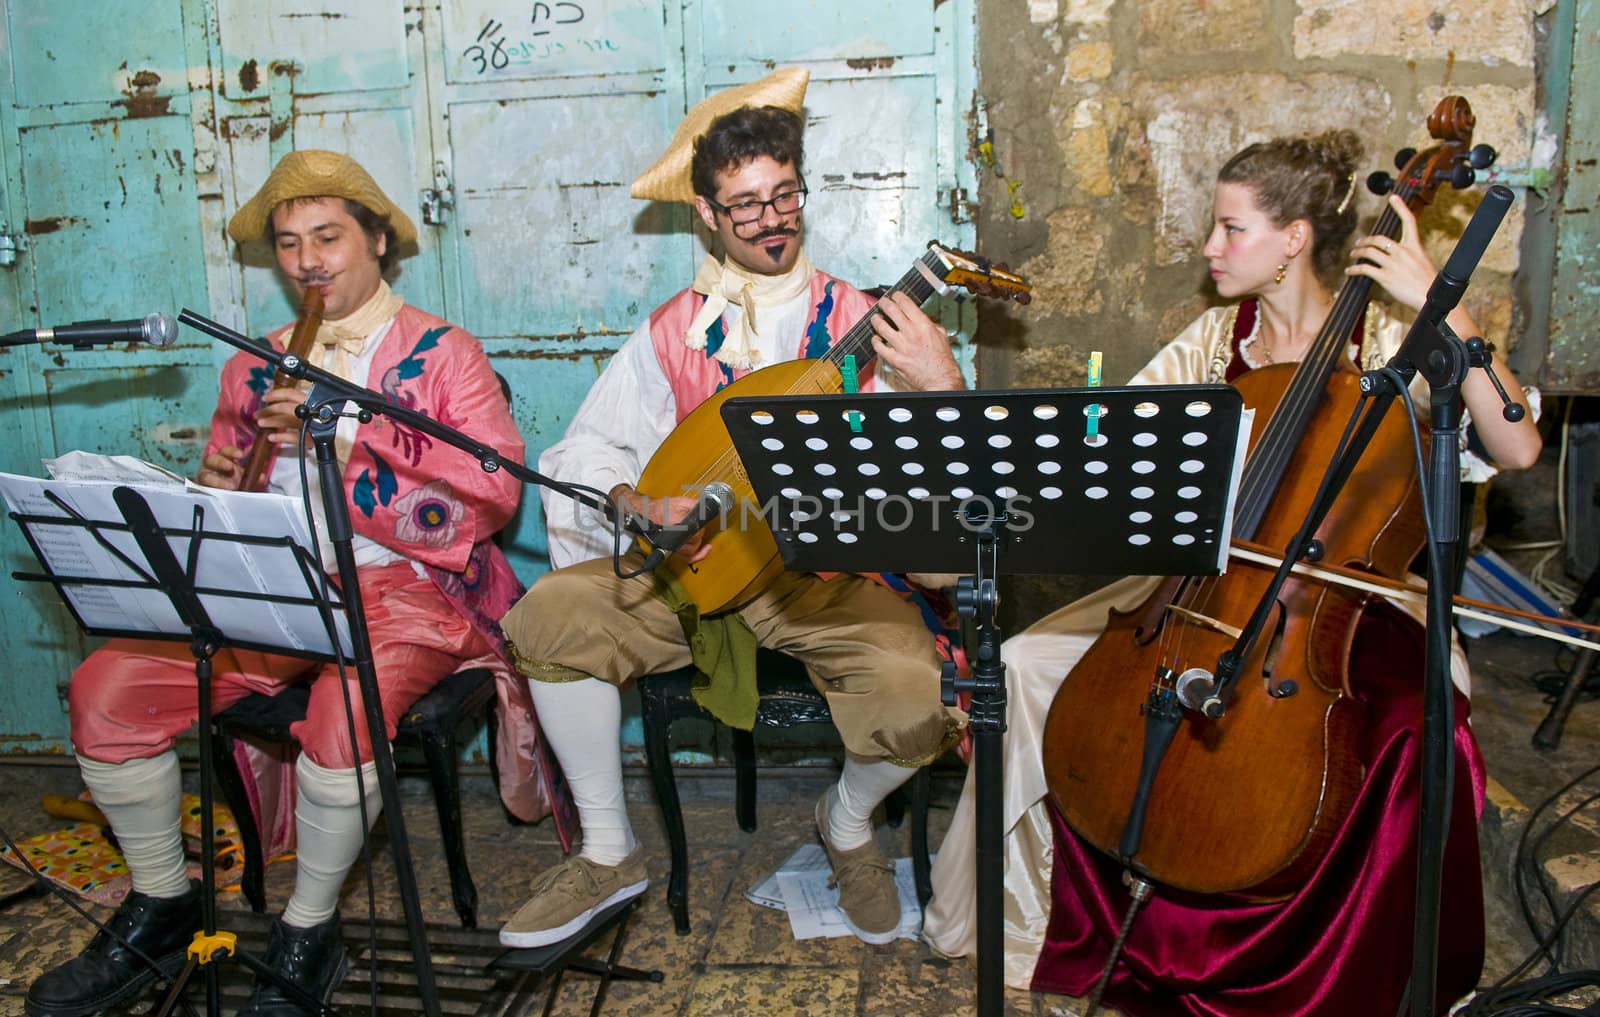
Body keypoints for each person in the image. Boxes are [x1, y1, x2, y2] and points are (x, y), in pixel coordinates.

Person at [921, 129, 1542, 1015]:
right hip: (1203, 592)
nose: (1210, 249)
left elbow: (1517, 445)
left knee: (1411, 729)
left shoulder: (1398, 333)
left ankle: (1355, 973)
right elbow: (1107, 446)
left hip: (1350, 606)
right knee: (1021, 664)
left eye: (1230, 229)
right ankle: (1030, 916)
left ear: (1294, 238)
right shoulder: (1216, 341)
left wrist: (1448, 312)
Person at [26, 150, 571, 1017]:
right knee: (106, 688)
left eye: (329, 237)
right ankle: (163, 905)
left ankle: (309, 932)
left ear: (378, 241)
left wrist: (345, 439)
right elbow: (223, 496)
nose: (310, 260)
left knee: (345, 710)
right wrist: (215, 483)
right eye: (289, 243)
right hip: (267, 584)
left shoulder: (442, 352)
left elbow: (495, 492)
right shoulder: (255, 361)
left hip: (408, 586)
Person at [496, 67, 968, 950]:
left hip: (827, 579)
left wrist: (941, 384)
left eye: (783, 194)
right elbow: (586, 449)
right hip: (702, 567)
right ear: (707, 215)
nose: (770, 219)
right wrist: (635, 498)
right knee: (547, 616)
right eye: (744, 204)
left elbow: (946, 494)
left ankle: (848, 820)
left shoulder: (864, 320)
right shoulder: (675, 327)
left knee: (920, 696)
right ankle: (607, 851)